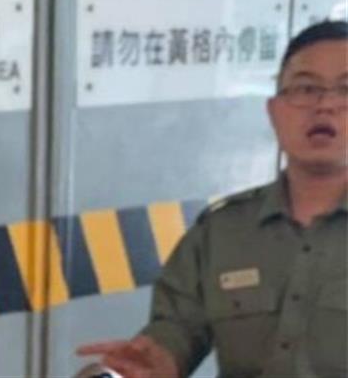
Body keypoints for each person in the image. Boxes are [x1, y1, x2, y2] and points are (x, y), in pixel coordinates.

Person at [77, 20, 348, 378]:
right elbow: (177, 328)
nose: (325, 105)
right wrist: (156, 361)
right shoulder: (222, 231)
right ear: (274, 111)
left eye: (346, 89)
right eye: (306, 88)